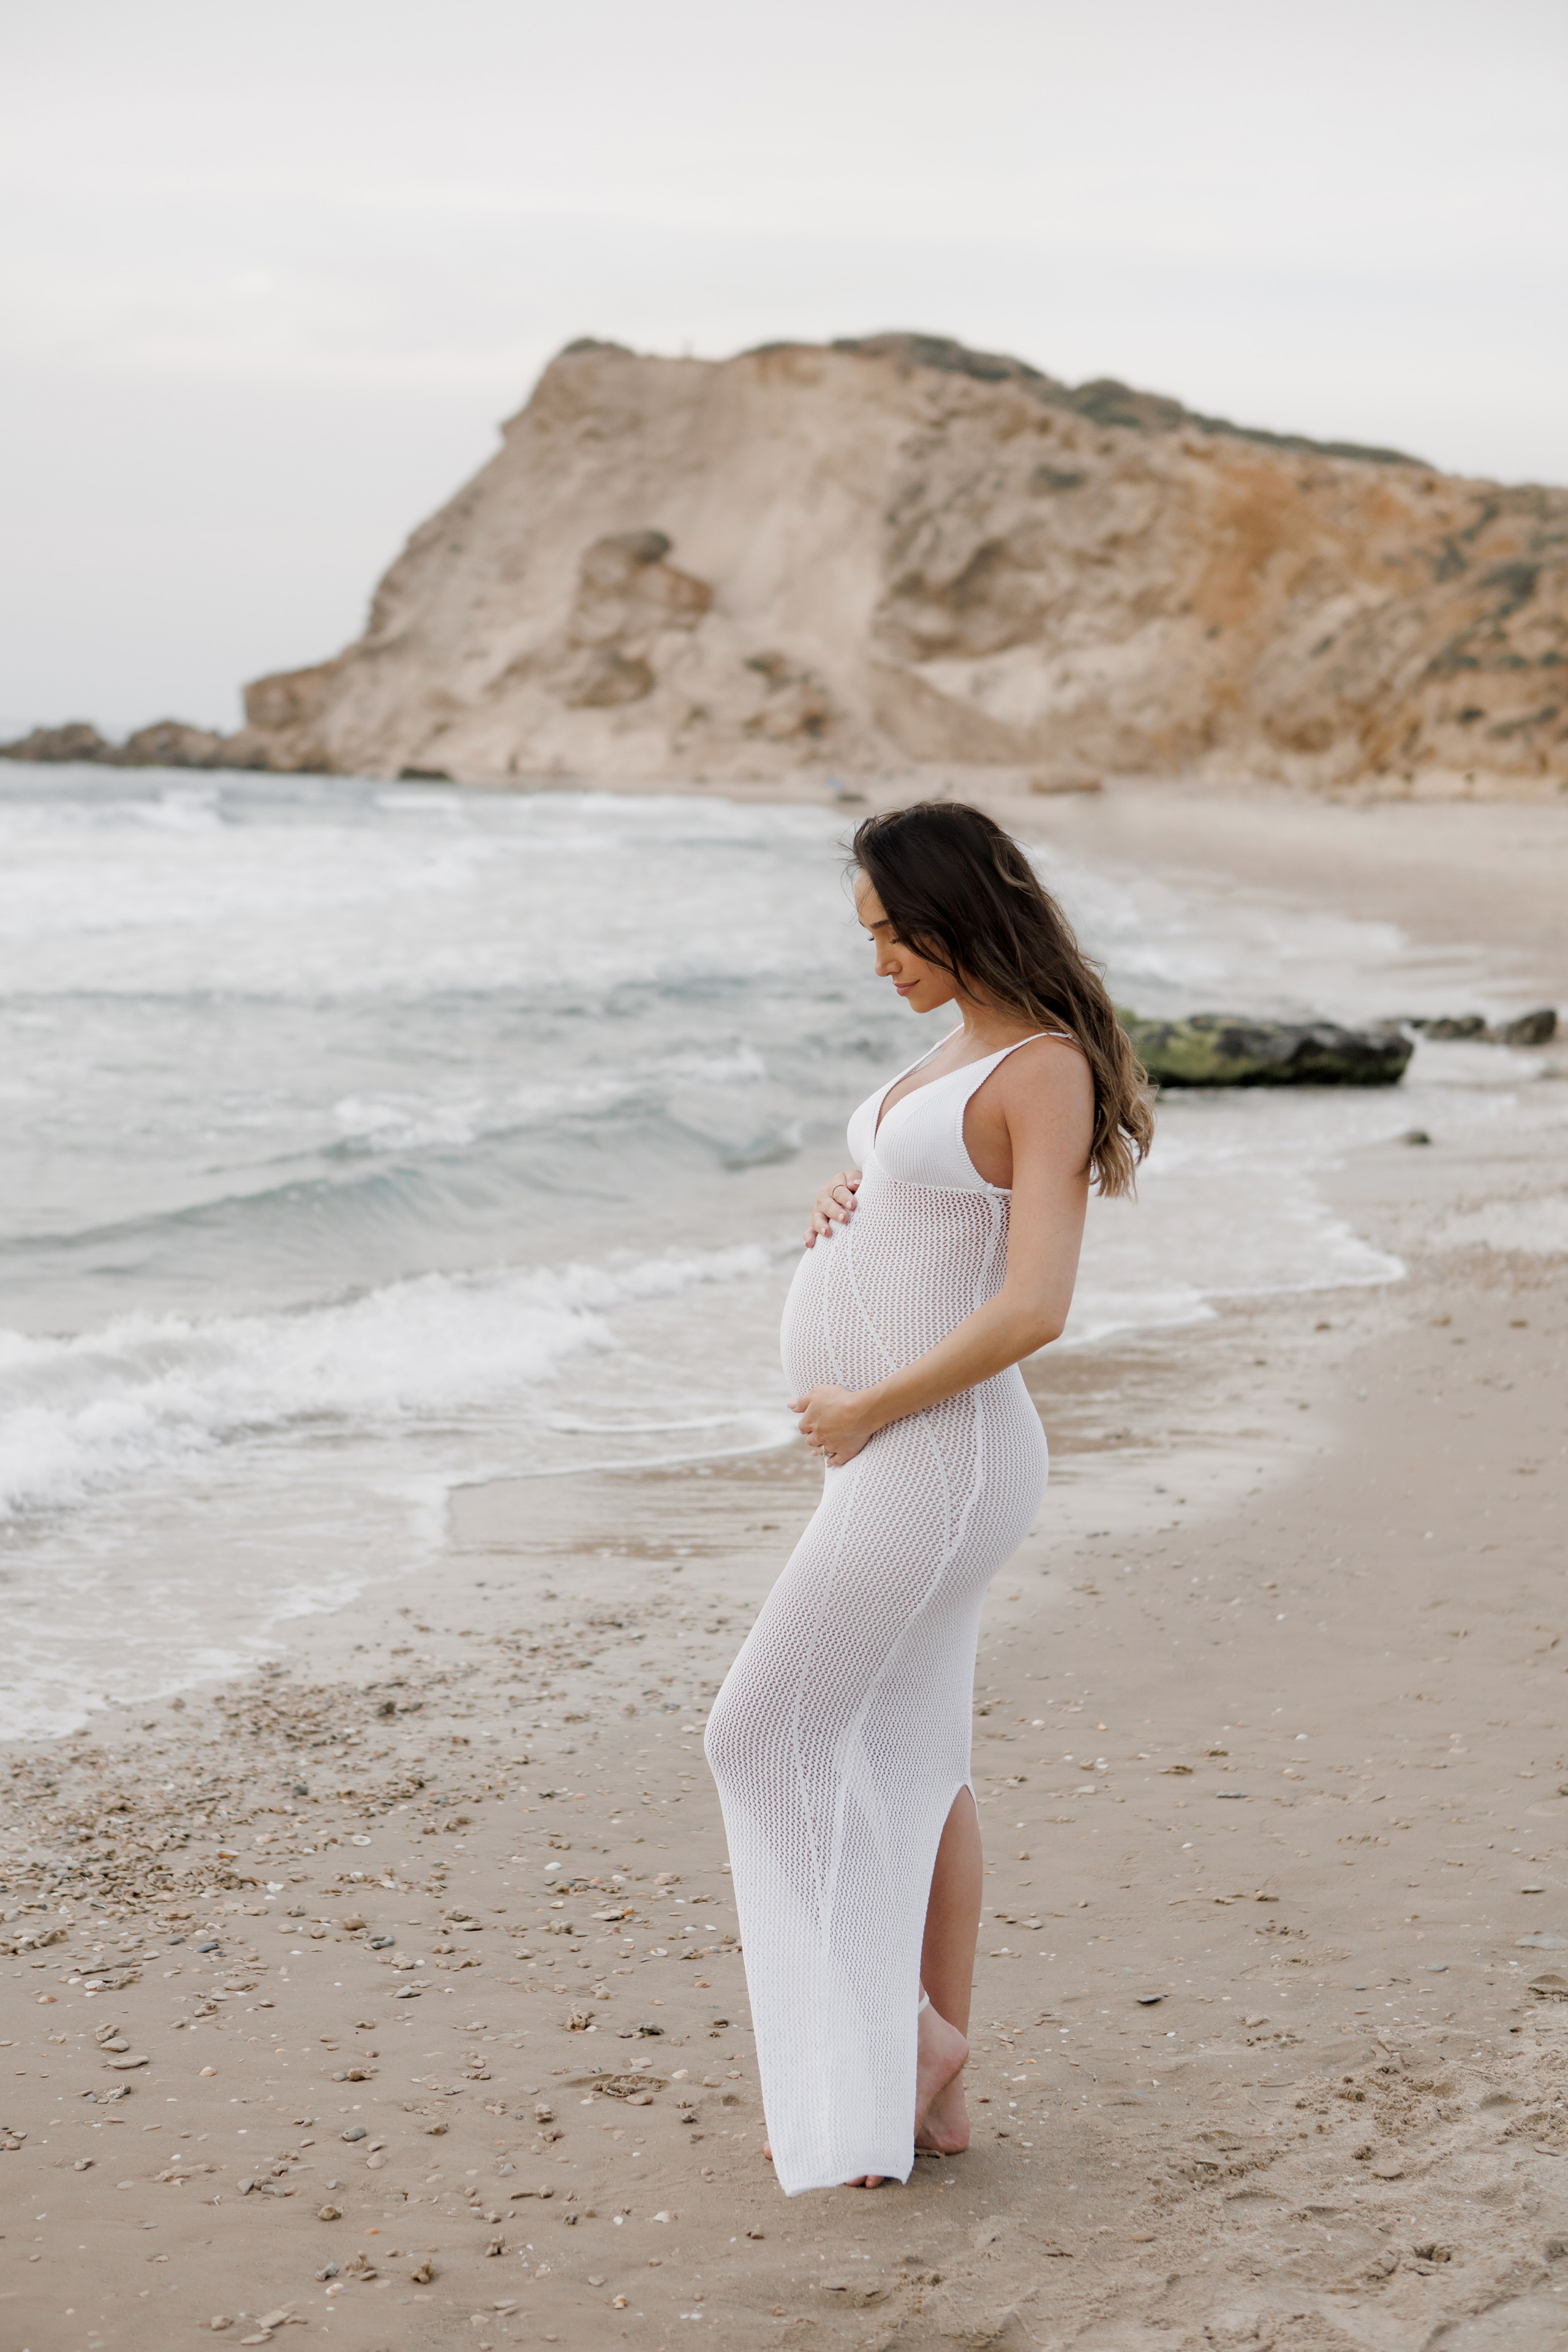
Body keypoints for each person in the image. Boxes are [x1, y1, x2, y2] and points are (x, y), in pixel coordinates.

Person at [704, 801, 1152, 2195]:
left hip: (940, 1457)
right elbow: (944, 1206)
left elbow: (1035, 1304)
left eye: (897, 933)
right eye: (871, 937)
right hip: (909, 1451)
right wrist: (865, 1189)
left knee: (755, 1734)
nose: (881, 959)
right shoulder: (955, 1049)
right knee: (910, 1762)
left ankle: (893, 2037)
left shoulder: (1043, 1065)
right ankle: (930, 2096)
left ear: (962, 910)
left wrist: (867, 1403)